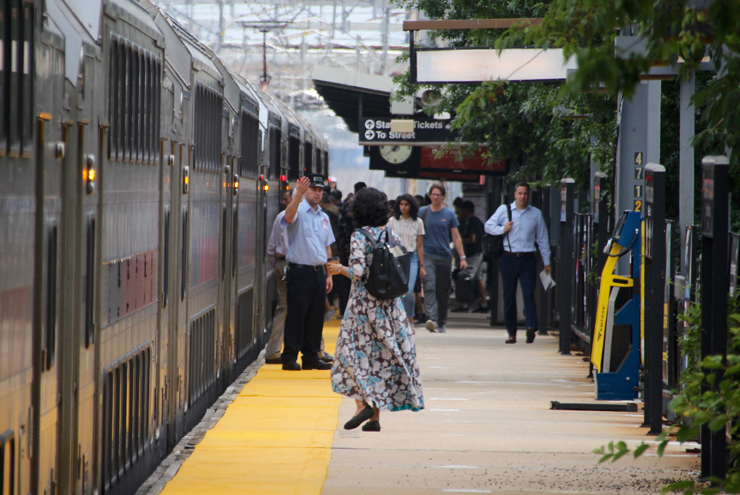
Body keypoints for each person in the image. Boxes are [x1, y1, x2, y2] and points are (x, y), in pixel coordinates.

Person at [327, 187, 424, 432]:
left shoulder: (360, 235)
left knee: (350, 355)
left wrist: (339, 269)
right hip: (390, 307)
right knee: (379, 358)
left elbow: (358, 272)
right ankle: (375, 419)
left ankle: (362, 406)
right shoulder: (390, 233)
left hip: (363, 307)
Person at [484, 181, 551, 344]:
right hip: (509, 257)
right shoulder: (504, 210)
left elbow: (542, 239)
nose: (522, 197)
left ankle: (530, 326)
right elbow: (487, 226)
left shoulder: (535, 214)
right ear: (515, 195)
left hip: (528, 257)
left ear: (529, 195)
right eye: (519, 193)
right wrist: (502, 229)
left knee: (528, 293)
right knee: (509, 296)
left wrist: (547, 262)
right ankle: (511, 332)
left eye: (525, 194)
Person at [280, 174, 335, 370]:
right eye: (313, 189)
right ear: (305, 191)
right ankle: (289, 357)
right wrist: (298, 195)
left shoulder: (324, 217)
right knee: (297, 315)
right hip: (300, 270)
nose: (317, 193)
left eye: (320, 190)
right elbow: (287, 218)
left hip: (318, 271)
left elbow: (327, 247)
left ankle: (311, 355)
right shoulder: (298, 209)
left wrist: (329, 274)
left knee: (316, 315)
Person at [419, 183, 467, 333]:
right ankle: (431, 319)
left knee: (443, 291)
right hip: (428, 255)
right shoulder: (423, 212)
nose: (434, 197)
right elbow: (417, 235)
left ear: (443, 197)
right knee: (429, 285)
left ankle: (441, 321)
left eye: (437, 194)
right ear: (429, 196)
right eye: (432, 194)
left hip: (445, 257)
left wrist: (462, 257)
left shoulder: (449, 214)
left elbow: (456, 237)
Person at [387, 194, 426, 326]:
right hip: (396, 256)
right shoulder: (392, 221)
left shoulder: (418, 222)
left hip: (412, 256)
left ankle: (409, 318)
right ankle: (401, 320)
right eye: (401, 204)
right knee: (398, 290)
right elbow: (387, 241)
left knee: (409, 292)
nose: (403, 207)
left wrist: (422, 266)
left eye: (406, 204)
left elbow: (419, 245)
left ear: (411, 206)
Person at [264, 191, 293, 364]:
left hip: (282, 264)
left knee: (283, 308)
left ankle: (273, 351)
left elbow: (271, 247)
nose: (283, 202)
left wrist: (277, 266)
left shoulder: (279, 217)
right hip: (294, 266)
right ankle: (315, 350)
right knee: (309, 307)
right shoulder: (302, 217)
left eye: (286, 199)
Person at [452, 200, 489, 313]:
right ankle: (483, 304)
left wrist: (460, 240)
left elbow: (472, 239)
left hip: (473, 254)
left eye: (461, 211)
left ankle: (464, 304)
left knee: (465, 277)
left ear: (466, 210)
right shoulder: (478, 221)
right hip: (479, 253)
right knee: (478, 279)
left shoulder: (471, 222)